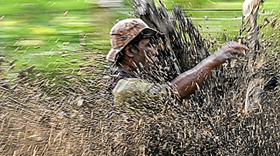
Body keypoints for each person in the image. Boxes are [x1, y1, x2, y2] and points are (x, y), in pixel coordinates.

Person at [106, 18, 247, 110]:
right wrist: (214, 60)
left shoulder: (119, 80)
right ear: (130, 50)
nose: (154, 52)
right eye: (148, 46)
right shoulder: (125, 88)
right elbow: (170, 95)